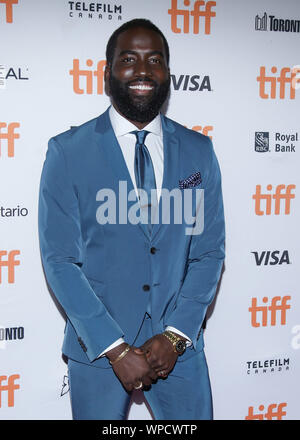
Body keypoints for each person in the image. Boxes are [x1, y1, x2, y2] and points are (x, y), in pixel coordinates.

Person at [38, 18, 225, 420]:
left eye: (154, 60)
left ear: (168, 74)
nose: (142, 71)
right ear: (107, 73)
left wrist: (175, 338)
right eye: (128, 59)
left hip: (178, 347)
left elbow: (208, 253)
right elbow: (59, 260)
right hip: (97, 350)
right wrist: (116, 347)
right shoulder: (67, 152)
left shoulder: (199, 152)